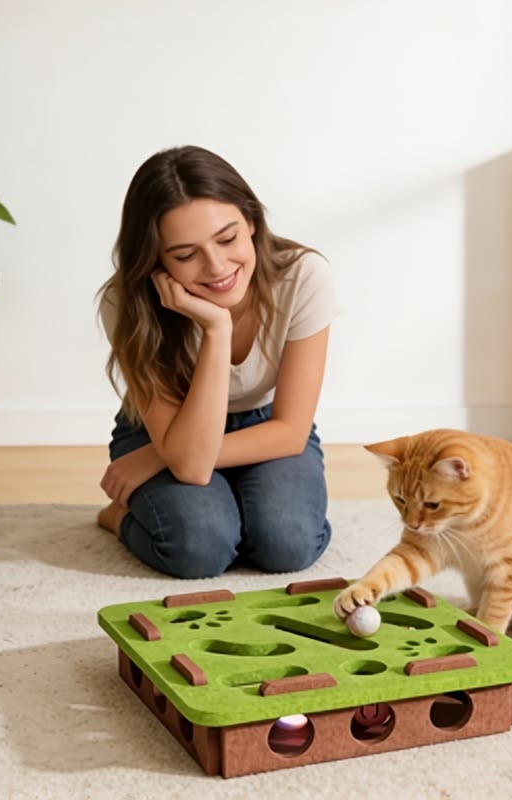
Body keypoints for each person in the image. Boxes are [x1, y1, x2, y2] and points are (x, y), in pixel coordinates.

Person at [96, 145, 338, 579]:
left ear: (251, 220)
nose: (217, 266)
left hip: (265, 429)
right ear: (157, 260)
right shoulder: (128, 302)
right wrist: (215, 329)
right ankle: (118, 517)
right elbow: (189, 461)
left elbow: (290, 431)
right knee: (198, 547)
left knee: (287, 543)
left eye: (227, 239)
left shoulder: (302, 277)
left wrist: (157, 458)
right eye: (185, 255)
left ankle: (233, 510)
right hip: (167, 431)